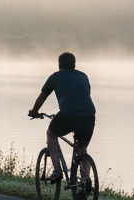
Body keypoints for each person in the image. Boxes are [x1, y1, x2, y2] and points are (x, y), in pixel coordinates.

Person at [28, 52, 95, 183]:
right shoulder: (83, 76)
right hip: (89, 115)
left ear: (59, 65)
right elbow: (85, 94)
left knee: (51, 134)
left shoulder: (55, 77)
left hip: (68, 114)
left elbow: (43, 96)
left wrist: (34, 111)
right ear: (74, 64)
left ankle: (57, 171)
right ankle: (85, 179)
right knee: (81, 148)